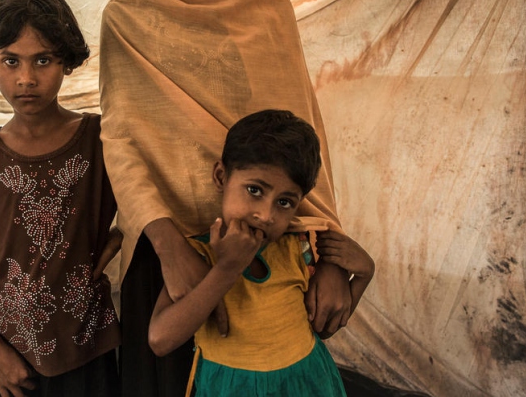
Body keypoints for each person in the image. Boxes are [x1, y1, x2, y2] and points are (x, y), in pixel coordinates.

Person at [98, 0, 357, 394]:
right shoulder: (127, 15)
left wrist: (331, 254)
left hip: (274, 244)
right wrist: (172, 253)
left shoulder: (268, 6)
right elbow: (121, 143)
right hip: (174, 257)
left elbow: (305, 134)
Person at [0, 0, 122, 397]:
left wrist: (120, 234)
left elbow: (152, 193)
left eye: (44, 60)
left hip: (88, 345)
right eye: (10, 61)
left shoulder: (102, 139)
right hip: (9, 356)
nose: (26, 78)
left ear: (67, 63)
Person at [148, 109, 375, 396]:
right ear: (221, 177)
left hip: (309, 383)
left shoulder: (297, 247)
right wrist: (226, 269)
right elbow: (160, 339)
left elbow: (323, 328)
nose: (266, 215)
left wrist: (364, 275)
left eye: (284, 202)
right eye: (255, 190)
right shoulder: (197, 255)